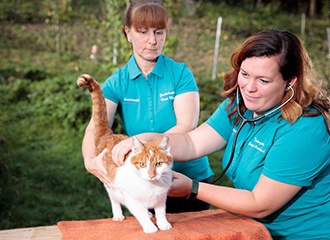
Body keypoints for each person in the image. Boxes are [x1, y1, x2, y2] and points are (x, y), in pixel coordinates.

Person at [111, 30, 330, 239]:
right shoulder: (239, 106)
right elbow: (192, 142)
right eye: (244, 75)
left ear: (289, 82)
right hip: (256, 231)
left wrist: (193, 187)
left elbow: (260, 203)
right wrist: (148, 140)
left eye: (263, 81)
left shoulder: (306, 129)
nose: (249, 88)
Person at [81, 0, 213, 213]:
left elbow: (186, 126)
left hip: (189, 180)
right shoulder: (117, 82)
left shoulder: (180, 73)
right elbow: (95, 126)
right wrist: (90, 161)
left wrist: (140, 140)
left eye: (159, 32)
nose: (152, 41)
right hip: (146, 182)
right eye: (143, 32)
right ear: (128, 33)